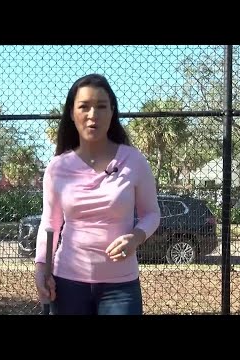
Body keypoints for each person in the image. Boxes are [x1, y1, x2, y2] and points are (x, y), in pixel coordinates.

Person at [34, 74, 160, 315]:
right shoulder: (57, 167)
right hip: (67, 282)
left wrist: (135, 238)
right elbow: (50, 222)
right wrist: (42, 267)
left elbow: (152, 214)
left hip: (121, 286)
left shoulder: (134, 161)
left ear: (112, 111)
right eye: (84, 107)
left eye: (101, 107)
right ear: (72, 113)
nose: (93, 115)